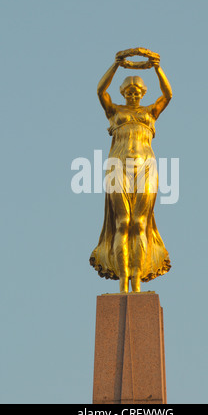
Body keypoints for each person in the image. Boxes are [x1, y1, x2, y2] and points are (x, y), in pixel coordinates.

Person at [89, 50, 173, 293]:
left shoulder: (150, 113)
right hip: (117, 166)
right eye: (129, 91)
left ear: (143, 93)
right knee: (122, 223)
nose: (133, 94)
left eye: (137, 91)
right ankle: (124, 284)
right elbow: (100, 91)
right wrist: (116, 65)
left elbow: (168, 95)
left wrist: (157, 67)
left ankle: (136, 283)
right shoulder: (115, 112)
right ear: (123, 93)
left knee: (140, 222)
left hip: (146, 166)